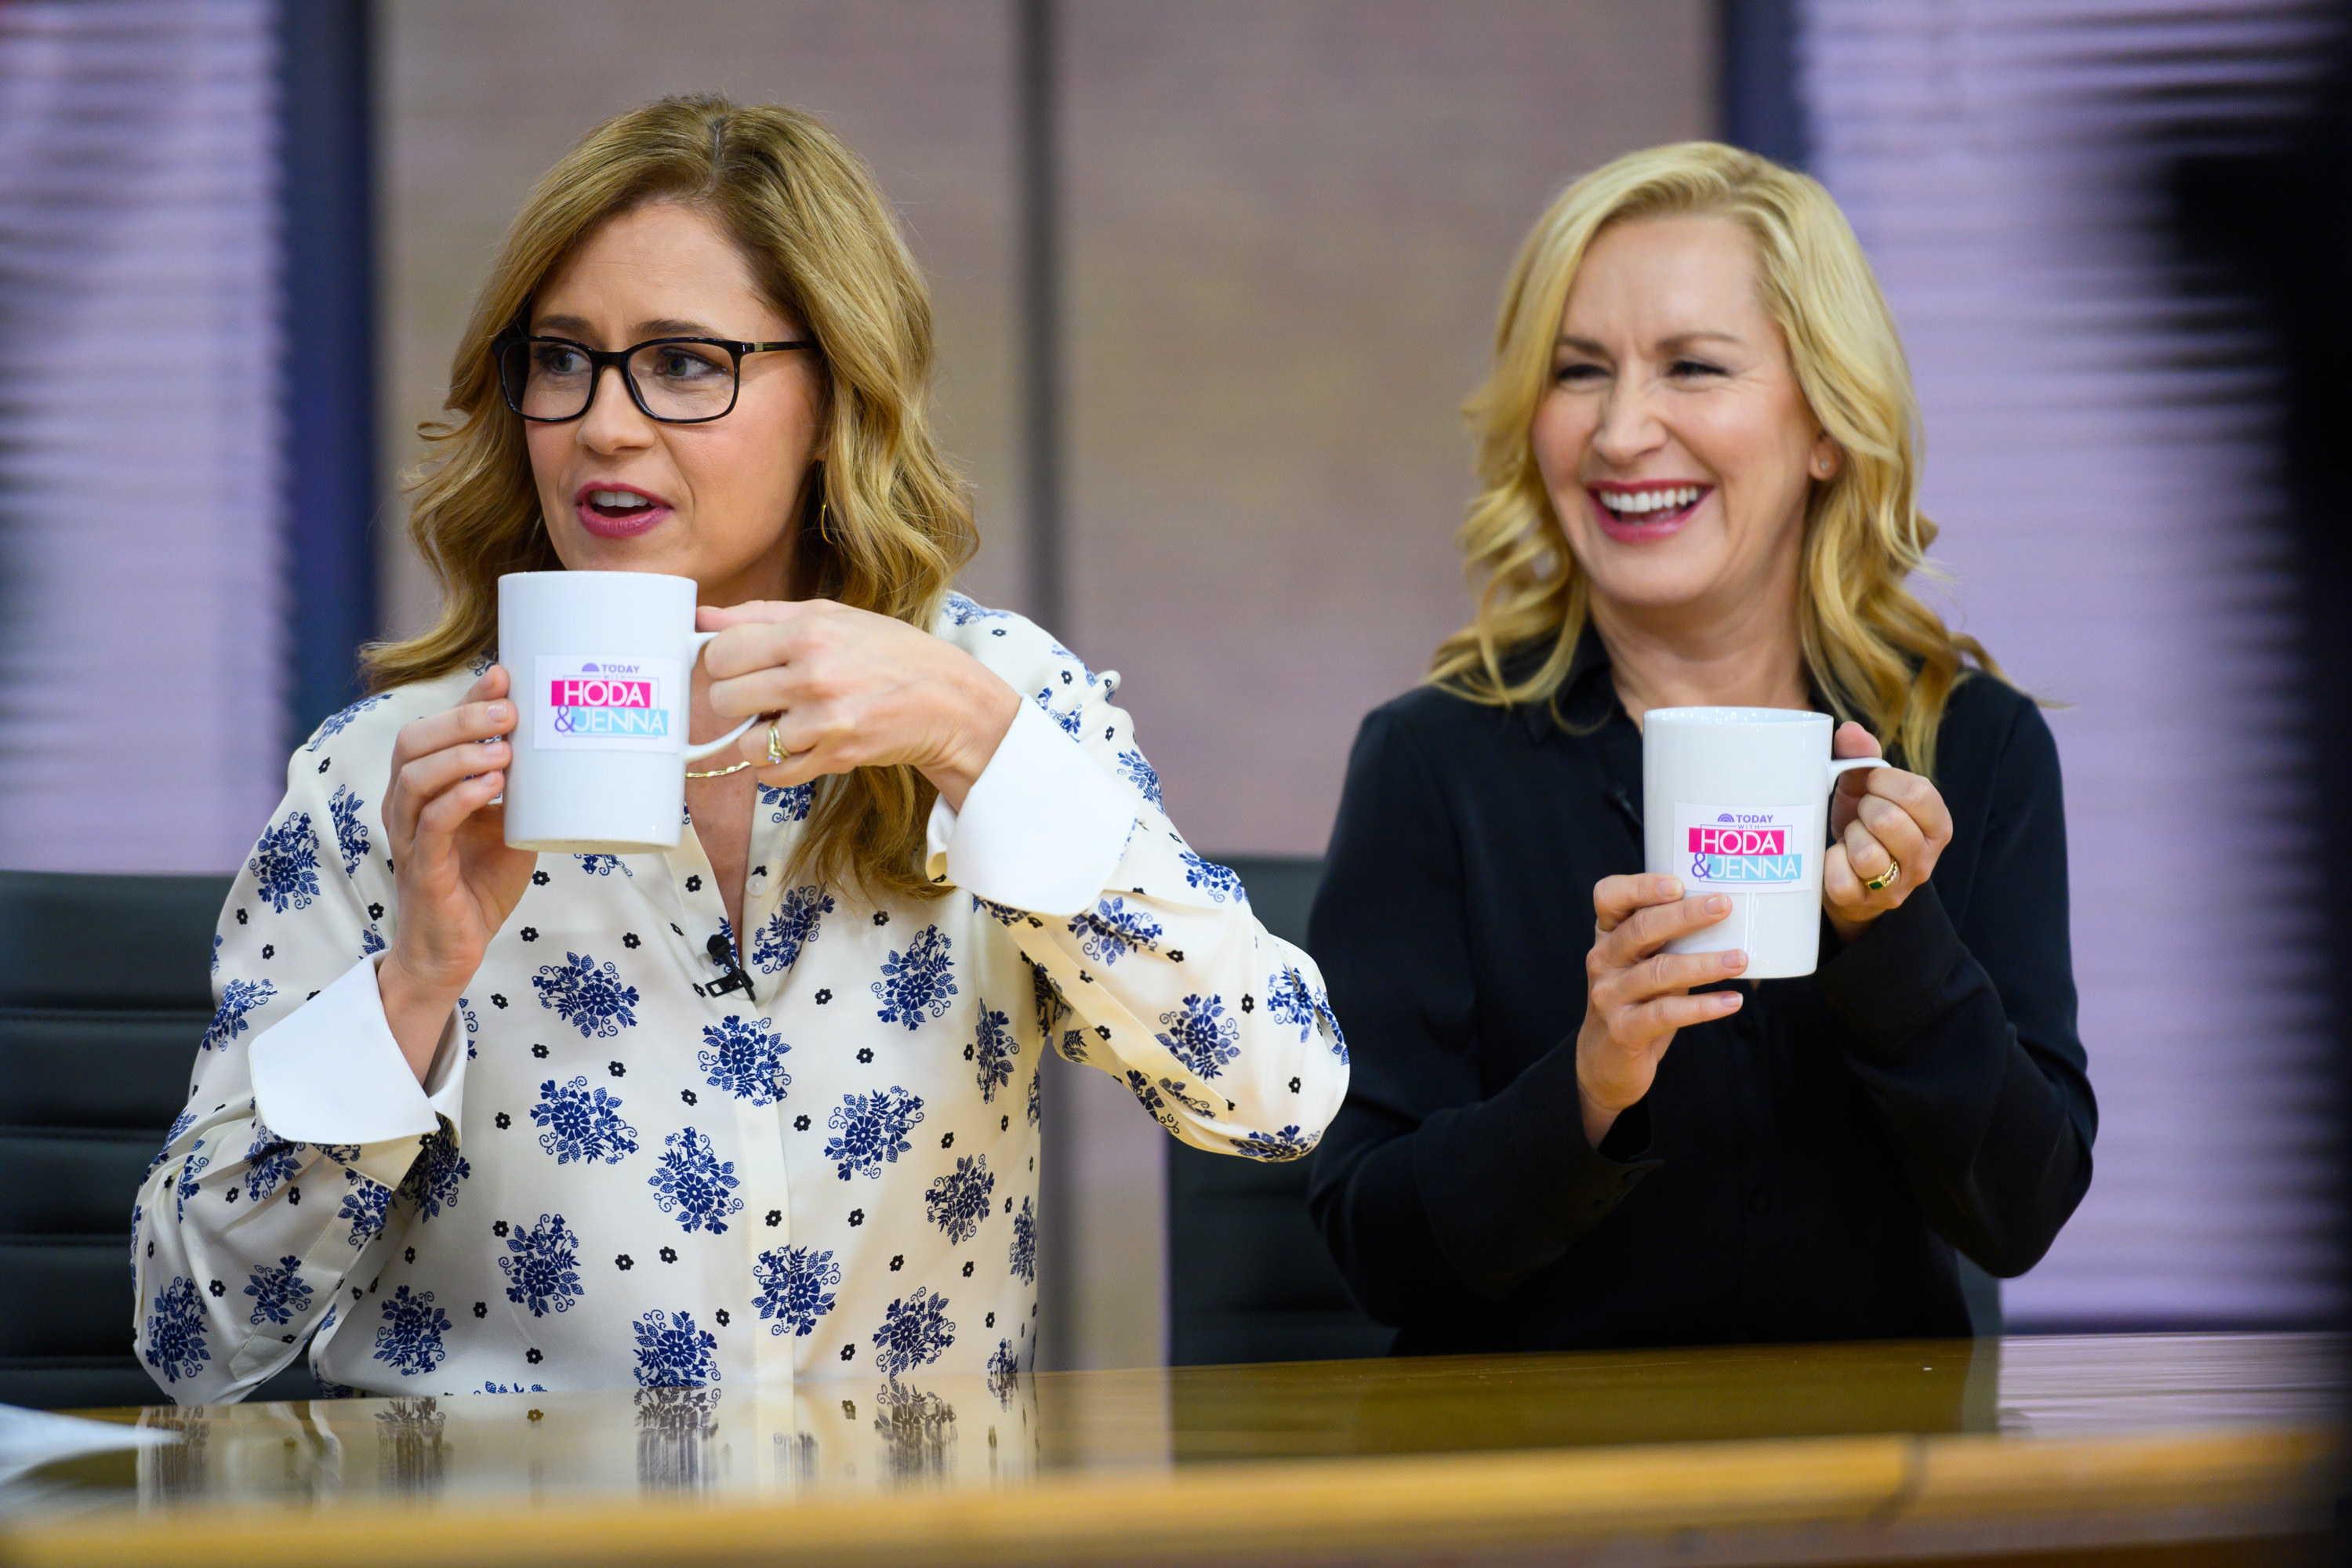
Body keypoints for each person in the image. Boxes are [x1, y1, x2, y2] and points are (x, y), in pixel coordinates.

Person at [132, 95, 1347, 1401]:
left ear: (834, 398)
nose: (603, 424)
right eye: (561, 358)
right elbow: (190, 1340)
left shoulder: (992, 701)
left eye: (685, 362)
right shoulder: (385, 773)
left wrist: (980, 746)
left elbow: (1275, 1095)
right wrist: (413, 985)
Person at [1306, 143, 2092, 1352]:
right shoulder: (1433, 762)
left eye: (1693, 368)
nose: (1623, 431)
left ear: (1827, 426)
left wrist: (1893, 939)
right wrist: (1591, 1084)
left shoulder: (1971, 747)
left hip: (1877, 1502)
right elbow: (1373, 1245)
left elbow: (2021, 1211)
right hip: (1534, 1506)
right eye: (1580, 374)